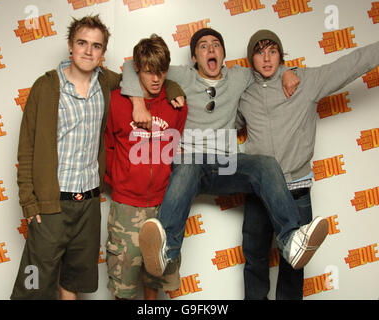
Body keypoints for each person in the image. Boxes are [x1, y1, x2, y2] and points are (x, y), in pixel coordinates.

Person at [121, 28, 329, 279]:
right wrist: (138, 103)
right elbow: (133, 65)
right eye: (203, 46)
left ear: (223, 54)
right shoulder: (181, 75)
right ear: (194, 58)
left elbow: (268, 68)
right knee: (187, 162)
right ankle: (166, 250)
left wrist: (288, 72)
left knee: (266, 164)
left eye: (216, 45)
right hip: (193, 166)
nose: (210, 50)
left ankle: (291, 241)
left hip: (227, 165)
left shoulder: (239, 76)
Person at [10, 15, 184, 300]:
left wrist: (172, 89)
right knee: (34, 284)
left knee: (73, 280)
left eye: (96, 46)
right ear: (70, 46)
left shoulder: (107, 82)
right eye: (82, 43)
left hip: (88, 202)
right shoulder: (46, 87)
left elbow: (138, 72)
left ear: (103, 52)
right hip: (52, 201)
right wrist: (29, 202)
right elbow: (26, 148)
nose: (89, 51)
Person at [239, 30, 379, 300]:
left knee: (294, 264)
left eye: (272, 51)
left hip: (296, 190)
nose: (267, 59)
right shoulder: (244, 93)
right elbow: (218, 112)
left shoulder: (304, 81)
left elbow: (352, 64)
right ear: (250, 58)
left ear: (281, 55)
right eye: (259, 52)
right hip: (259, 191)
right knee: (255, 260)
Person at [104, 34, 188, 300]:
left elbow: (176, 147)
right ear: (137, 68)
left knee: (154, 280)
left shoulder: (176, 104)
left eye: (161, 72)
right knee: (124, 285)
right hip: (127, 205)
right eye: (149, 71)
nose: (155, 79)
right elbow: (107, 146)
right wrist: (120, 181)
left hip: (163, 205)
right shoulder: (117, 100)